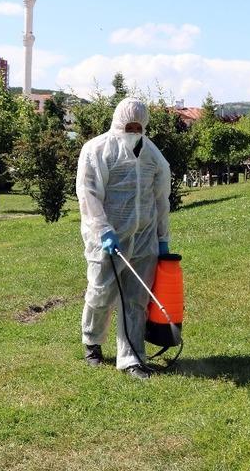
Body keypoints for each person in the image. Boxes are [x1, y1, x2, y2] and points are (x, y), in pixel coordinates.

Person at [76, 97, 172, 379]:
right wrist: (104, 231)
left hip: (144, 238)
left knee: (136, 299)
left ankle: (131, 358)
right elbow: (88, 194)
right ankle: (92, 342)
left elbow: (161, 200)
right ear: (117, 122)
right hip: (108, 237)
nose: (132, 131)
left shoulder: (154, 156)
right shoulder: (96, 150)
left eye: (138, 127)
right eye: (128, 125)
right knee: (101, 291)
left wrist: (162, 238)